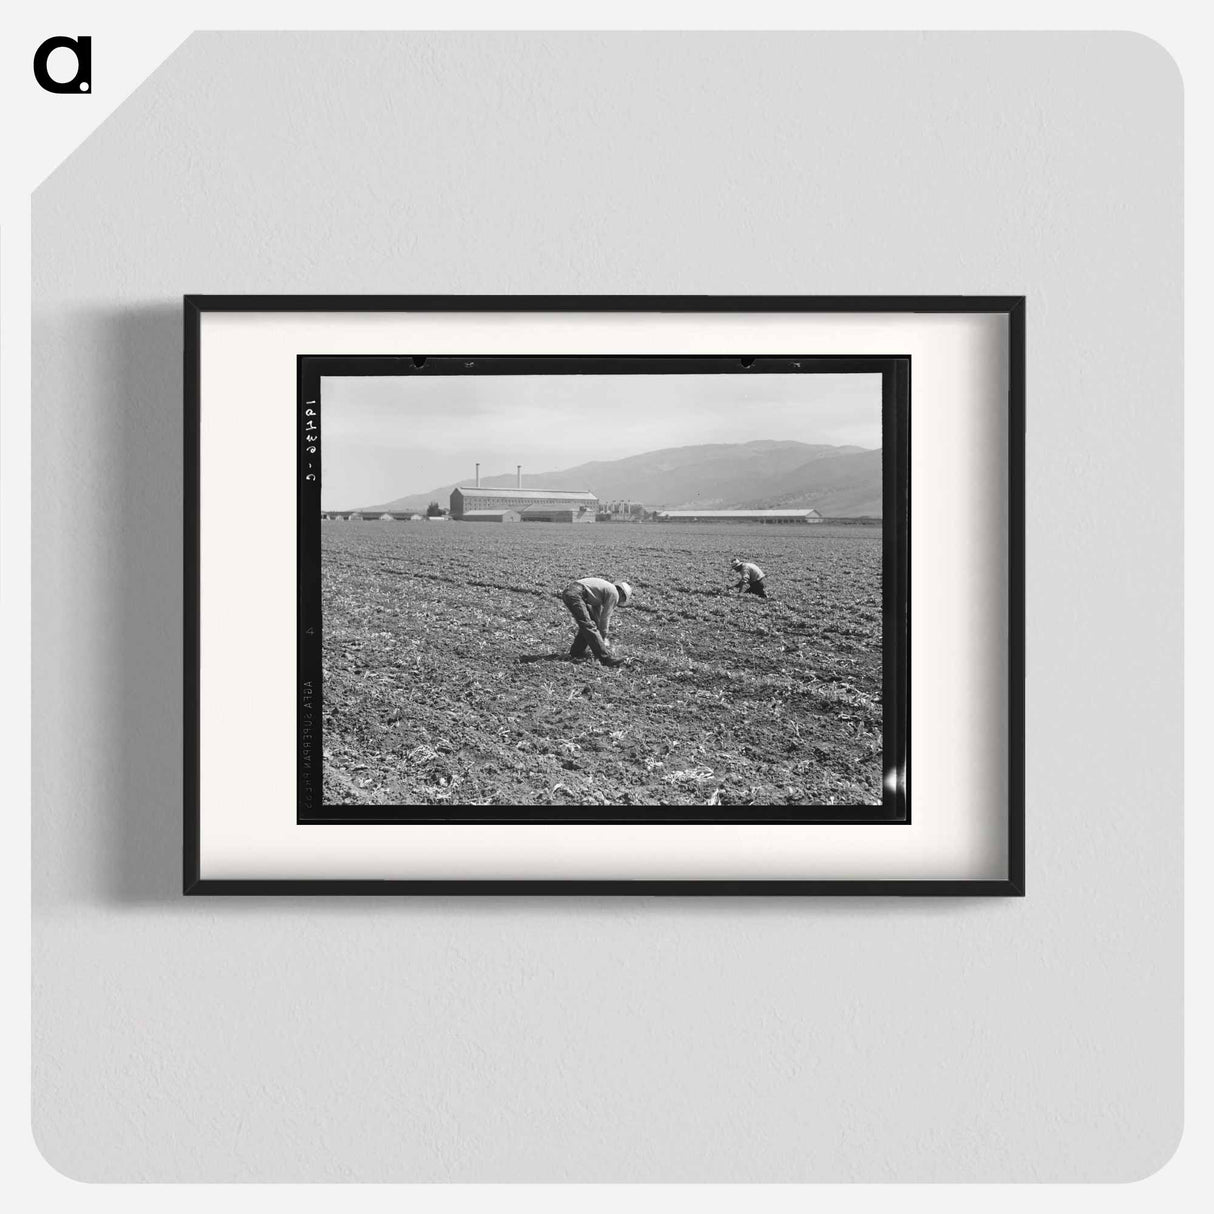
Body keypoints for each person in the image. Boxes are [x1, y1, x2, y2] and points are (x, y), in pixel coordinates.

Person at [560, 577, 633, 665]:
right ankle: (605, 659)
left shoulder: (602, 592)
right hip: (576, 594)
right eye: (623, 599)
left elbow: (596, 619)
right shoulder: (614, 594)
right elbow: (605, 618)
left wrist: (599, 637)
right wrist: (603, 638)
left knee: (588, 624)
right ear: (622, 593)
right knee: (588, 625)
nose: (619, 602)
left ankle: (576, 652)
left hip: (570, 591)